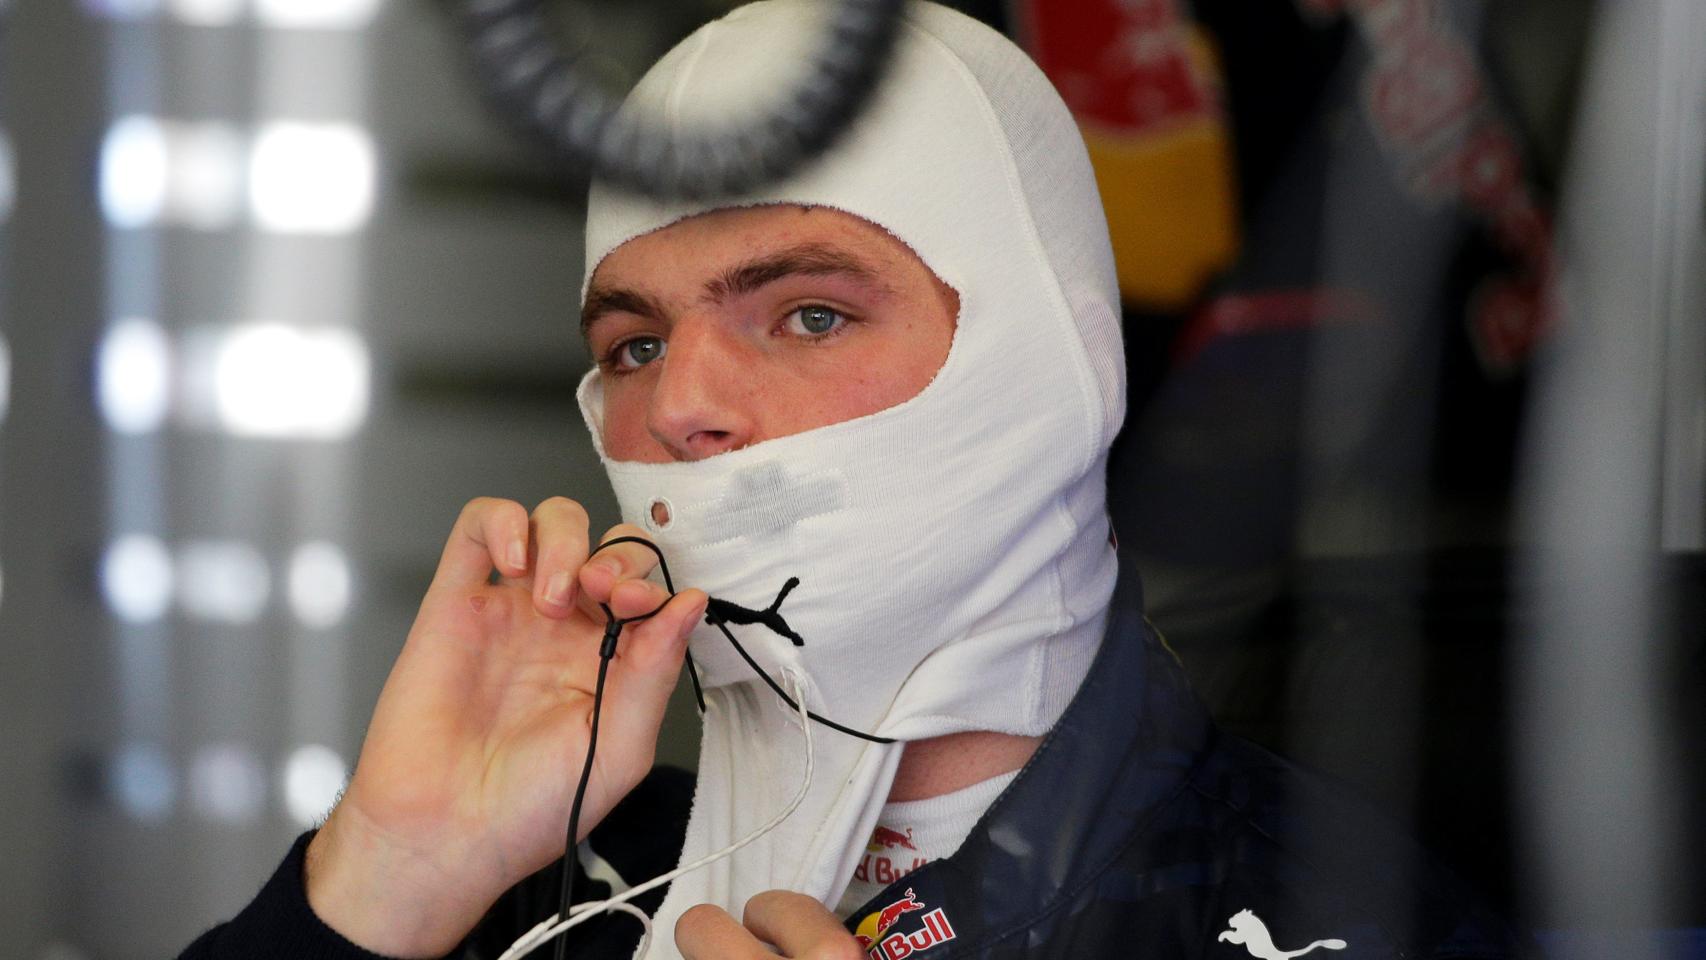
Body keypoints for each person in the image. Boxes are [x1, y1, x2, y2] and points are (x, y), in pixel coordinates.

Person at [179, 3, 1535, 958]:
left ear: (1051, 355)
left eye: (811, 314)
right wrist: (381, 883)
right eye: (634, 345)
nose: (681, 406)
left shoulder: (1332, 925)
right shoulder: (528, 886)